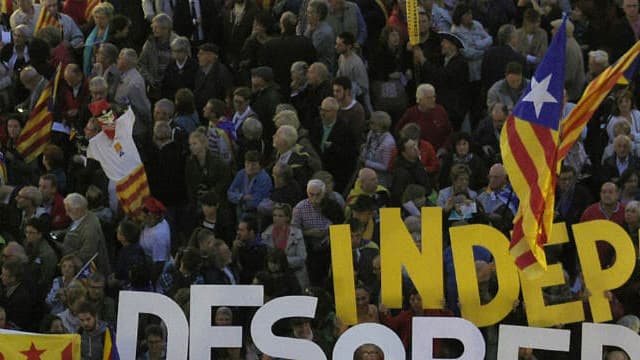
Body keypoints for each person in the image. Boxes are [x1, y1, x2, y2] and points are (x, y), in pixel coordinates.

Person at [61, 193, 111, 275]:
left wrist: (64, 250)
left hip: (88, 274)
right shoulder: (79, 217)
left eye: (69, 210)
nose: (66, 213)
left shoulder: (90, 229)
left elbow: (87, 256)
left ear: (79, 209)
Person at [394, 84, 452, 154]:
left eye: (434, 97)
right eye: (429, 98)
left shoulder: (440, 110)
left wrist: (444, 148)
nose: (433, 100)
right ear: (420, 99)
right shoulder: (411, 113)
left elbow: (449, 132)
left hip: (439, 153)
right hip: (418, 154)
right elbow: (398, 132)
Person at [262, 203, 309, 288]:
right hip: (275, 277)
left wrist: (282, 261)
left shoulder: (297, 233)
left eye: (280, 216)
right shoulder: (267, 234)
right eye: (274, 215)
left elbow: (302, 258)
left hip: (295, 275)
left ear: (287, 218)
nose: (276, 218)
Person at [317, 97, 357, 193]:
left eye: (326, 111)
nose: (322, 113)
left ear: (335, 112)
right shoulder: (316, 124)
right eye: (321, 110)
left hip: (336, 173)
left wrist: (333, 147)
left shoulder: (345, 129)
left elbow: (350, 154)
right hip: (318, 169)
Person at [227, 150, 273, 219]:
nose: (250, 167)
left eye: (254, 164)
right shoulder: (241, 173)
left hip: (257, 213)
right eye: (247, 163)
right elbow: (230, 193)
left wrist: (238, 198)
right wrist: (242, 197)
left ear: (260, 165)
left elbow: (255, 202)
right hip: (240, 210)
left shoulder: (264, 178)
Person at [193, 43, 234, 115]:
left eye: (201, 54)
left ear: (211, 56)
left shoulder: (222, 73)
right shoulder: (200, 70)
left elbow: (226, 94)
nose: (198, 56)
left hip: (215, 113)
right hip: (201, 111)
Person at [139, 196, 171, 284]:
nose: (142, 214)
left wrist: (150, 282)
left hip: (157, 276)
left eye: (146, 212)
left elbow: (159, 264)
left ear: (155, 215)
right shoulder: (152, 222)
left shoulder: (159, 235)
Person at [391, 137, 431, 206]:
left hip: (423, 200)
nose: (415, 148)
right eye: (411, 147)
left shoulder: (417, 162)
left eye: (415, 145)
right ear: (404, 153)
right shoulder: (401, 172)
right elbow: (399, 197)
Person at [360, 111, 396, 188]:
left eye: (372, 123)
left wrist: (366, 162)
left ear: (380, 125)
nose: (370, 125)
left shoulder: (388, 143)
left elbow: (385, 166)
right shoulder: (371, 133)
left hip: (380, 179)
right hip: (366, 172)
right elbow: (368, 146)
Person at [232, 216, 267, 284]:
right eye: (238, 229)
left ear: (251, 232)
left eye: (242, 230)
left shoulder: (261, 249)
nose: (238, 233)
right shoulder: (239, 246)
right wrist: (234, 249)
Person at [305, 0, 336, 72]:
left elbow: (309, 51)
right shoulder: (312, 26)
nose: (307, 14)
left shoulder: (323, 32)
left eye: (310, 12)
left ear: (318, 15)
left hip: (322, 72)